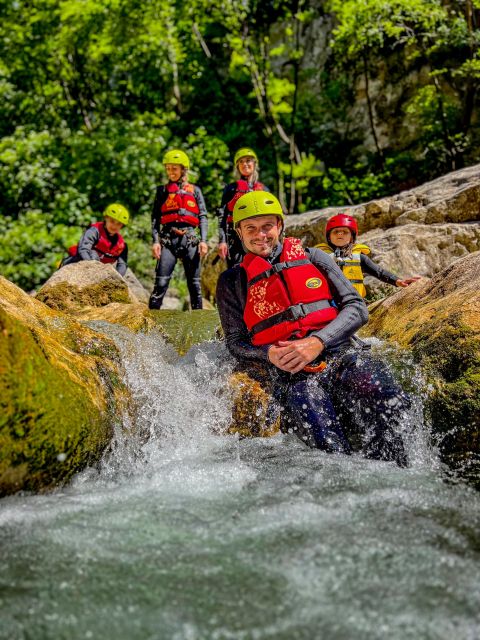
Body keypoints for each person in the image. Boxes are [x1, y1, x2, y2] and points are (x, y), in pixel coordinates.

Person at [216, 192, 410, 466]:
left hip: (341, 355)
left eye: (267, 226)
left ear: (280, 226)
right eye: (251, 228)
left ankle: (396, 474)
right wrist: (269, 354)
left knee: (390, 399)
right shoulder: (231, 281)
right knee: (327, 445)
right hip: (292, 376)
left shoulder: (315, 257)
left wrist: (318, 341)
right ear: (239, 232)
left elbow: (356, 307)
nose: (260, 235)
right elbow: (235, 342)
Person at [149, 149, 209, 310]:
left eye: (174, 168)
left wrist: (204, 240)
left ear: (183, 169)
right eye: (168, 168)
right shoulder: (162, 191)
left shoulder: (195, 191)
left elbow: (203, 216)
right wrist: (155, 242)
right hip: (168, 240)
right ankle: (148, 325)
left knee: (195, 286)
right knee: (160, 284)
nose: (170, 172)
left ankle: (199, 326)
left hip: (190, 240)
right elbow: (155, 218)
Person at [316, 213, 420, 297]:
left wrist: (398, 281)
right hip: (329, 301)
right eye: (336, 232)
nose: (340, 234)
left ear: (352, 237)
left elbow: (379, 272)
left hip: (354, 301)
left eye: (345, 232)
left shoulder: (359, 258)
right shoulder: (319, 256)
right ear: (329, 237)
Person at [217, 147, 269, 268]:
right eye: (241, 162)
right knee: (237, 273)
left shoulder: (264, 189)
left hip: (259, 237)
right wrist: (222, 241)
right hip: (236, 239)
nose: (245, 164)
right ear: (237, 166)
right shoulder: (231, 189)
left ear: (254, 164)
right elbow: (222, 217)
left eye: (248, 160)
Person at [62, 203, 129, 276]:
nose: (114, 226)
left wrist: (117, 279)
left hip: (99, 272)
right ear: (106, 218)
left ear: (122, 225)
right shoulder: (94, 231)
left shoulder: (122, 245)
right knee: (93, 254)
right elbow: (83, 250)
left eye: (119, 224)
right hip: (75, 263)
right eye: (112, 221)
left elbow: (122, 264)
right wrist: (93, 269)